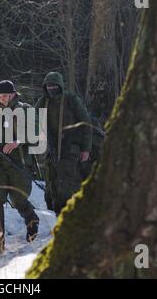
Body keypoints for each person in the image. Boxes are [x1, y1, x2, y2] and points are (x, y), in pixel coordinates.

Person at [0, 80, 39, 253]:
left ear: (14, 94)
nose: (2, 99)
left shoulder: (25, 109)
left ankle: (32, 221)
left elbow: (36, 132)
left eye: (6, 96)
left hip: (19, 163)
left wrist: (17, 142)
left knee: (18, 200)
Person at [35, 72, 92, 217]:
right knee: (52, 188)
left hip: (70, 149)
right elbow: (33, 123)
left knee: (69, 187)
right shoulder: (42, 102)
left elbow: (86, 124)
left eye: (54, 85)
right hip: (50, 150)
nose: (51, 88)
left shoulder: (71, 100)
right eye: (48, 86)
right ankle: (58, 217)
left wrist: (86, 149)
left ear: (60, 86)